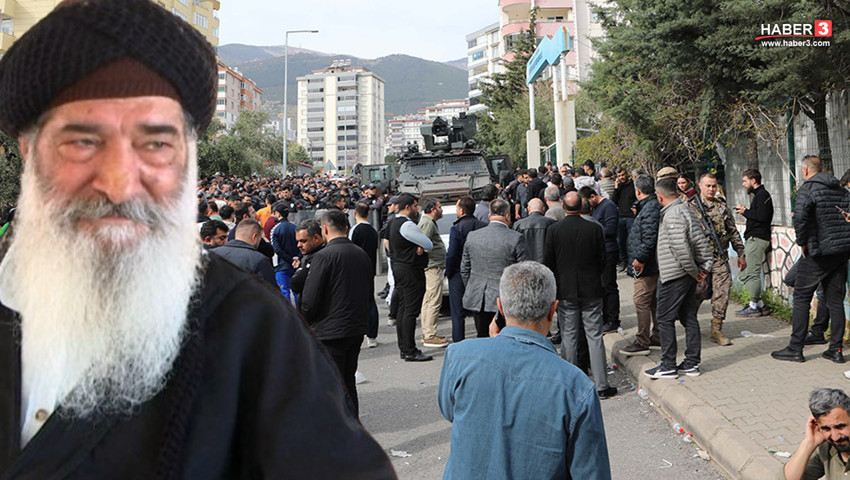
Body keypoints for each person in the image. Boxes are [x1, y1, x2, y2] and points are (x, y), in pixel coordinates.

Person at [0, 0, 394, 476]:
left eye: (156, 144)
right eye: (83, 141)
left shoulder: (252, 329)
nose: (122, 182)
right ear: (28, 150)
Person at [438, 262, 611, 480]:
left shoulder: (460, 356)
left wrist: (494, 348)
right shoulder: (576, 386)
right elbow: (591, 472)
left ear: (500, 307)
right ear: (552, 310)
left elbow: (450, 411)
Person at [772, 155, 850, 364]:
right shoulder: (840, 189)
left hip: (818, 252)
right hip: (841, 252)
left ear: (806, 171)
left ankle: (795, 348)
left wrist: (802, 242)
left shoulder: (808, 188)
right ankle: (836, 350)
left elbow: (801, 216)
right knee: (835, 301)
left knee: (801, 297)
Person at [300, 210, 373, 415]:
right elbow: (368, 293)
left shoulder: (323, 257)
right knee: (348, 382)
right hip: (355, 327)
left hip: (330, 331)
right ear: (346, 228)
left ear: (323, 229)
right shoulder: (360, 253)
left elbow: (309, 300)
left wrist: (307, 320)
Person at [544, 192, 616, 398]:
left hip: (565, 290)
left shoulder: (554, 230)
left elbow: (548, 261)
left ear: (564, 208)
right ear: (583, 206)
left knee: (569, 336)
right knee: (594, 336)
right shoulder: (594, 228)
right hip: (591, 289)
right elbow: (603, 259)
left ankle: (569, 386)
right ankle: (602, 384)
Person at [644, 177, 713, 379]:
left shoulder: (673, 214)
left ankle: (668, 365)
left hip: (675, 274)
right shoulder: (683, 209)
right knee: (687, 316)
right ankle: (691, 363)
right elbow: (699, 242)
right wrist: (702, 267)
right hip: (685, 273)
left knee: (664, 318)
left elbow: (681, 249)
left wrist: (695, 272)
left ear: (659, 196)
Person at [688, 173, 746, 346]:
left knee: (722, 292)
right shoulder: (690, 207)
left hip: (719, 257)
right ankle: (689, 323)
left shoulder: (722, 207)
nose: (711, 189)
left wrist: (741, 253)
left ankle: (716, 328)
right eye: (708, 186)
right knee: (698, 292)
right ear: (700, 186)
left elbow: (733, 232)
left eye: (714, 186)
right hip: (699, 260)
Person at [461, 199, 527, 338]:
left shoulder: (473, 236)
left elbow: (465, 268)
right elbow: (522, 271)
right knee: (505, 338)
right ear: (508, 216)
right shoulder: (516, 238)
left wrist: (472, 286)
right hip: (505, 298)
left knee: (482, 336)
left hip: (478, 297)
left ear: (489, 215)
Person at [619, 175, 662, 357]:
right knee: (651, 301)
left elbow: (649, 238)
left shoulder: (650, 208)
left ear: (638, 191)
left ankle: (642, 341)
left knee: (641, 301)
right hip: (648, 264)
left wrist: (641, 259)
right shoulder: (648, 207)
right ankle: (657, 336)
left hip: (646, 266)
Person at [388, 193, 434, 362]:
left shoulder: (394, 222)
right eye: (415, 206)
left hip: (400, 267)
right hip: (410, 271)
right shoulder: (407, 225)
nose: (417, 209)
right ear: (407, 207)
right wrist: (420, 245)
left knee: (403, 309)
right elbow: (428, 244)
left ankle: (404, 348)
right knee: (410, 311)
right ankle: (410, 350)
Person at [780, 388, 850, 480]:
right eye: (826, 429)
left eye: (840, 427)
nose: (835, 437)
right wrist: (809, 443)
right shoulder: (826, 448)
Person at [579, 186, 621, 333]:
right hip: (599, 250)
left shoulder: (608, 206)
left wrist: (593, 231)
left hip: (608, 251)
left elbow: (611, 229)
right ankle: (605, 318)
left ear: (592, 196)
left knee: (608, 286)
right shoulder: (595, 208)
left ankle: (613, 320)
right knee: (601, 287)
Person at [445, 196, 487, 343]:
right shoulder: (482, 225)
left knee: (457, 312)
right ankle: (482, 339)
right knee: (479, 309)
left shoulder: (456, 228)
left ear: (461, 210)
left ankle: (459, 342)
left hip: (457, 272)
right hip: (479, 272)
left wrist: (448, 272)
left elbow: (452, 253)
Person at [734, 168, 775, 316]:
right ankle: (760, 304)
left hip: (757, 239)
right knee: (746, 273)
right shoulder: (759, 196)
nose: (743, 184)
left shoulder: (762, 195)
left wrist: (745, 212)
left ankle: (753, 305)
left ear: (753, 180)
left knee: (751, 273)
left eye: (745, 181)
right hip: (754, 238)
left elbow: (762, 217)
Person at [417, 198, 448, 348]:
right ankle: (429, 335)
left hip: (434, 266)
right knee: (434, 300)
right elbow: (420, 245)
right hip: (432, 267)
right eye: (440, 207)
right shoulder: (427, 223)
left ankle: (428, 332)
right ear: (433, 209)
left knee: (430, 299)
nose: (441, 210)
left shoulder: (429, 222)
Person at [350, 202, 380, 348]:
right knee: (370, 301)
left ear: (355, 213)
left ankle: (356, 332)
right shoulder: (373, 230)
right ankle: (372, 335)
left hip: (355, 271)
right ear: (368, 213)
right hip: (370, 269)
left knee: (355, 302)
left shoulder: (354, 230)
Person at [211, 220, 276, 286]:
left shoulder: (212, 254)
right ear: (254, 237)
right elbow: (272, 292)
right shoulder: (259, 260)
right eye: (260, 239)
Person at [289, 219, 325, 307]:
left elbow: (296, 284)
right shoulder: (311, 256)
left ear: (316, 238)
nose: (299, 245)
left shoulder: (320, 257)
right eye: (298, 241)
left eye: (303, 241)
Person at [270, 202, 301, 302]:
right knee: (297, 292)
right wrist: (297, 258)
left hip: (281, 265)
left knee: (284, 292)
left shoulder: (275, 229)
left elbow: (277, 249)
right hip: (295, 265)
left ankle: (288, 316)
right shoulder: (295, 227)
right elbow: (301, 245)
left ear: (278, 214)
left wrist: (289, 259)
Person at [513, 198, 555, 264]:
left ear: (529, 209)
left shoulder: (518, 225)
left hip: (525, 263)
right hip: (546, 263)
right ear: (543, 209)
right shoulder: (551, 223)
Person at [612, 167, 637, 271]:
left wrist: (635, 206)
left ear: (627, 174)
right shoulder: (619, 187)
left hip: (630, 217)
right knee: (620, 241)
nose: (621, 177)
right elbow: (614, 201)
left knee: (632, 241)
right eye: (619, 176)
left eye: (622, 175)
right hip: (621, 217)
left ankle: (632, 263)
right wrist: (616, 188)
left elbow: (637, 198)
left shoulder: (633, 185)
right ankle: (624, 262)